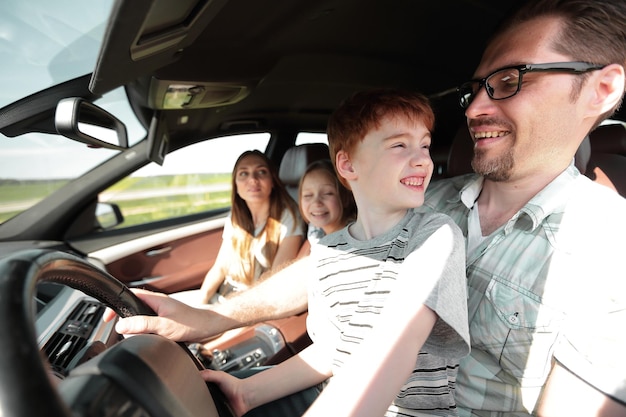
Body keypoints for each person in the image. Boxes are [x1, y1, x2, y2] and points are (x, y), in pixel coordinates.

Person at [105, 0, 626, 415]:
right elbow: (338, 276)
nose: (478, 108)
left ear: (602, 88)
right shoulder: (433, 199)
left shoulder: (610, 248)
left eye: (510, 82)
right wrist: (211, 316)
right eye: (475, 91)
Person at [202, 89, 469, 417]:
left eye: (425, 145)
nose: (422, 159)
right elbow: (335, 350)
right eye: (400, 145)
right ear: (348, 164)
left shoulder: (436, 236)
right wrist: (247, 392)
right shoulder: (329, 250)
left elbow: (393, 346)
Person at [171, 149, 305, 305]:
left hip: (251, 305)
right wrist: (200, 304)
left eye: (261, 172)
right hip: (224, 295)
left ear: (273, 180)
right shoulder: (236, 217)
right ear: (236, 183)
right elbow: (220, 268)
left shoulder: (289, 218)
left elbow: (274, 282)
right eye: (243, 174)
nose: (253, 179)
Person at [295, 158, 356, 258]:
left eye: (328, 193)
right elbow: (297, 265)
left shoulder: (353, 237)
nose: (316, 203)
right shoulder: (316, 229)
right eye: (308, 195)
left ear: (344, 198)